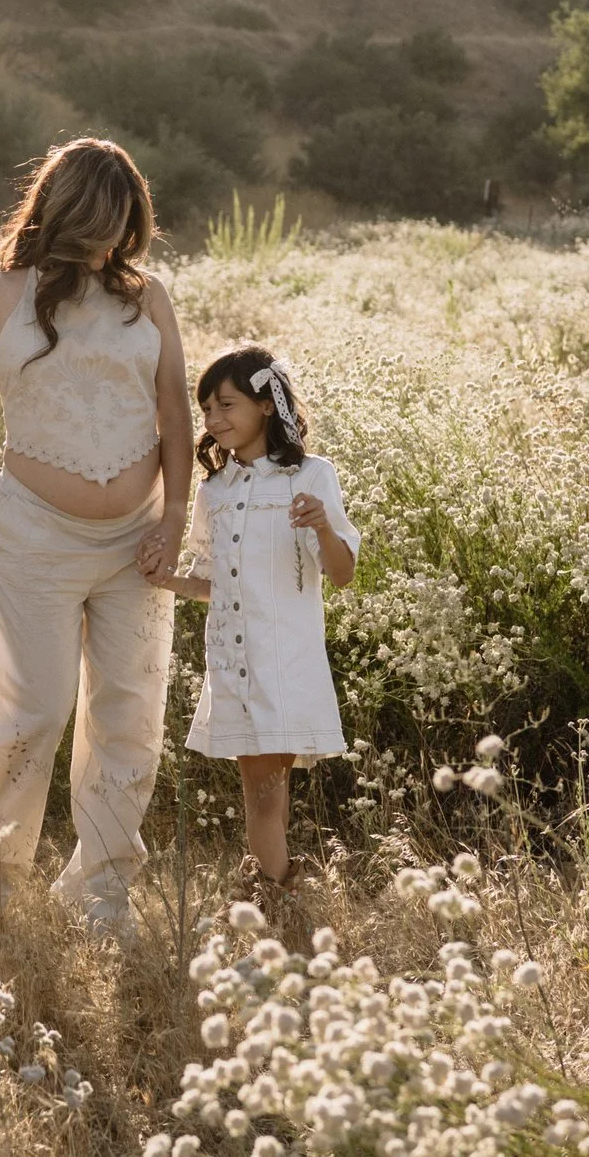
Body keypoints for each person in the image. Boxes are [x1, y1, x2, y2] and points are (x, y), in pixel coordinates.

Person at [0, 138, 193, 939]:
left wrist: (172, 522)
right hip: (35, 532)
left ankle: (100, 890)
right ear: (64, 215)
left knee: (129, 711)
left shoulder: (149, 298)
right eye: (100, 224)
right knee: (29, 704)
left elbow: (175, 412)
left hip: (136, 539)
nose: (112, 243)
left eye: (125, 224)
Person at [144, 346, 357, 908]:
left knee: (267, 796)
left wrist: (323, 527)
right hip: (235, 662)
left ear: (267, 404)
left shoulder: (312, 477)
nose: (213, 421)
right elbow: (214, 583)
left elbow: (341, 574)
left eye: (226, 405)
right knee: (263, 795)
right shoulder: (215, 491)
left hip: (286, 661)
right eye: (207, 409)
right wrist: (167, 580)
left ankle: (277, 896)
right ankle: (284, 894)